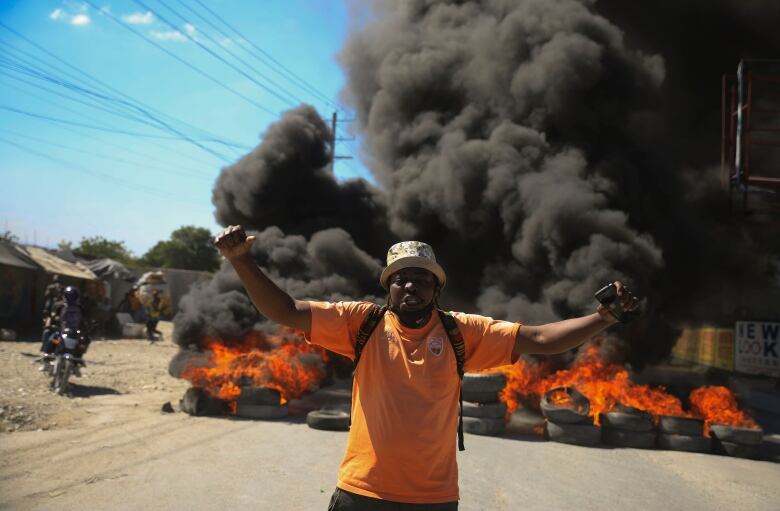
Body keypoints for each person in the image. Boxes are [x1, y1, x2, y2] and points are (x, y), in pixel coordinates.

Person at [214, 225, 640, 510]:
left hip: (432, 499)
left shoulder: (463, 333)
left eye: (421, 278)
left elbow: (542, 339)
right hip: (362, 491)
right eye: (400, 278)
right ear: (388, 286)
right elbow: (286, 311)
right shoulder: (359, 324)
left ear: (437, 286)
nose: (410, 285)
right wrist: (240, 261)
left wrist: (604, 318)